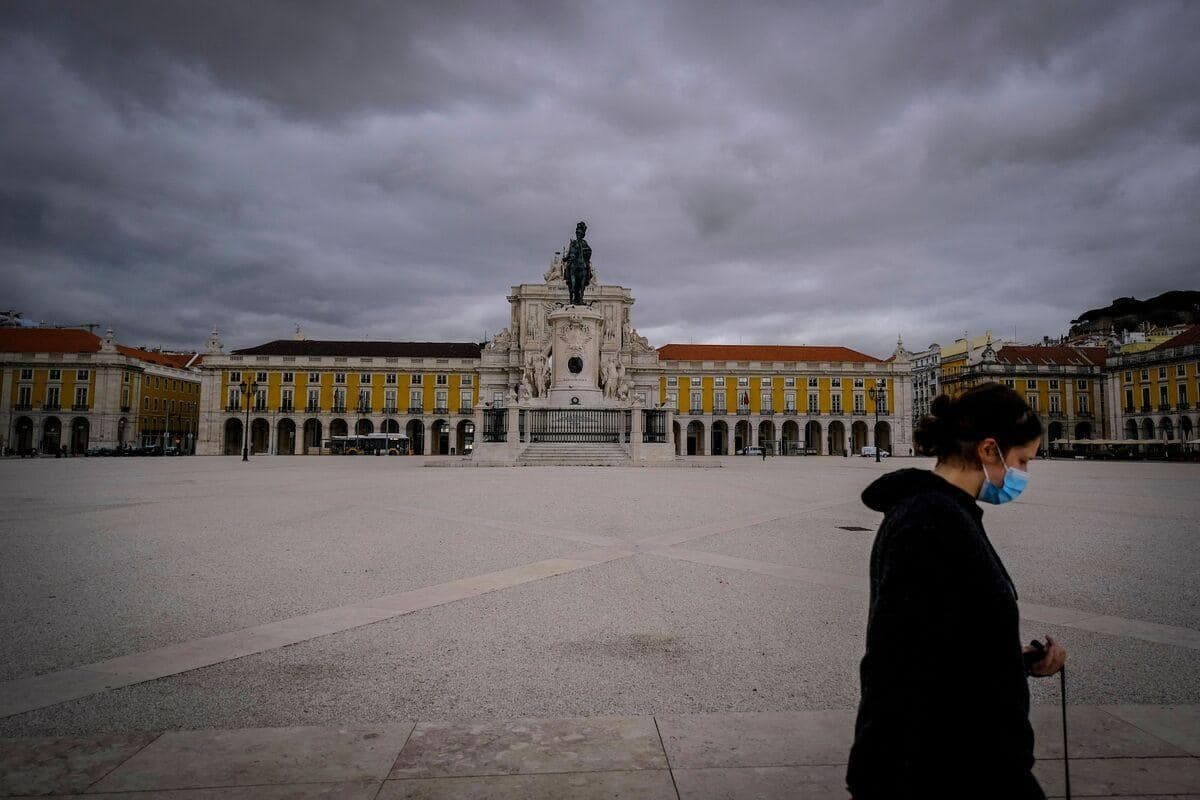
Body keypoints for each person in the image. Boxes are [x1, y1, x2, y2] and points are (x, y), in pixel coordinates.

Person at [846, 382, 1066, 800]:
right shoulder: (930, 520)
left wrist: (1014, 660)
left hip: (962, 760)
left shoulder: (943, 512)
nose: (1022, 475)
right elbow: (896, 659)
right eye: (1022, 461)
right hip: (950, 769)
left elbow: (941, 636)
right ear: (988, 450)